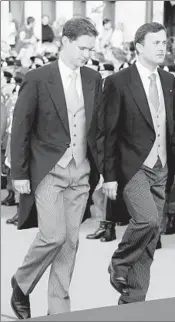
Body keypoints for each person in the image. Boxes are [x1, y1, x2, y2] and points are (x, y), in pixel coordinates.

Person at [10, 17, 103, 318]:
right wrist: (19, 173)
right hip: (49, 170)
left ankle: (58, 309)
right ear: (65, 40)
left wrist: (104, 170)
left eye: (91, 49)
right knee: (53, 235)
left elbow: (97, 128)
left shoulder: (92, 78)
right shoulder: (37, 78)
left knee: (70, 243)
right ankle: (21, 284)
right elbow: (21, 128)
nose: (87, 55)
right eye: (82, 48)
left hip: (82, 171)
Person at [102, 22, 175, 305]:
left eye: (165, 42)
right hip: (133, 167)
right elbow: (109, 133)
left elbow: (172, 127)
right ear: (139, 46)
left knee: (151, 238)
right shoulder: (117, 82)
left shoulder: (168, 81)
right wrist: (110, 176)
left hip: (162, 167)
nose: (163, 47)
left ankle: (132, 303)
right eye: (156, 43)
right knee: (147, 220)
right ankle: (119, 262)